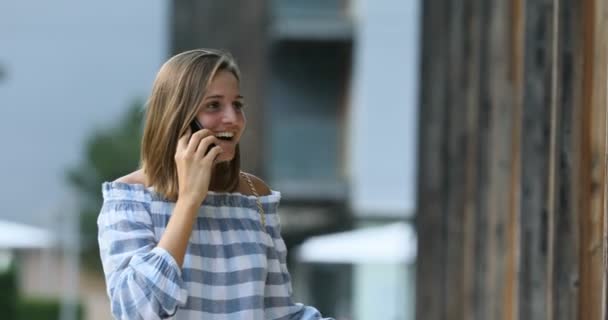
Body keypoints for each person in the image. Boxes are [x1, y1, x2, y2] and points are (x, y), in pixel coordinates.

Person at [97, 49, 333, 319]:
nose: (233, 119)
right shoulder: (130, 200)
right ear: (178, 116)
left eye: (238, 105)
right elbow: (136, 310)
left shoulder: (255, 196)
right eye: (213, 105)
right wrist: (188, 200)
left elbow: (279, 313)